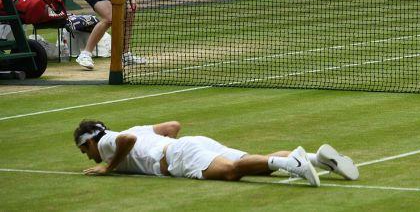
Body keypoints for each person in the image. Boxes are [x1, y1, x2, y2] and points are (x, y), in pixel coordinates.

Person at [73, 119, 359, 186]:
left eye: (83, 149)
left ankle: (294, 163)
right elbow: (173, 125)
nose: (86, 155)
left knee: (232, 173)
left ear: (90, 141)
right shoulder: (139, 128)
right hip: (191, 144)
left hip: (180, 156)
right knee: (249, 163)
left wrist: (107, 168)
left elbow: (128, 139)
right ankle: (315, 158)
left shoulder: (108, 142)